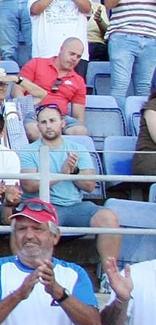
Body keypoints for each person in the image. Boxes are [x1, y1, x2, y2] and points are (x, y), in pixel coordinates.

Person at [18, 102, 122, 270]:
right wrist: (62, 172)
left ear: (63, 123)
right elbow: (29, 185)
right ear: (38, 126)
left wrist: (73, 172)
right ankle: (36, 273)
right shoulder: (27, 151)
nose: (48, 126)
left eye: (52, 120)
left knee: (108, 218)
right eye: (43, 122)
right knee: (39, 224)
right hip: (41, 207)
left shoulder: (78, 149)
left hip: (75, 206)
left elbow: (89, 185)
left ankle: (109, 275)